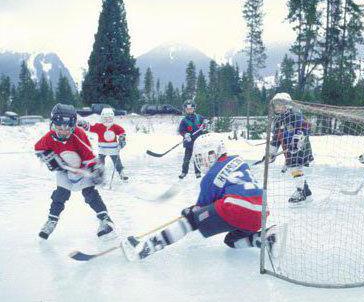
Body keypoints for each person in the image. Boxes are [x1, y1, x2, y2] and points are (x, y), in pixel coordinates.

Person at [121, 133, 275, 261]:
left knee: (190, 221)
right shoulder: (238, 160)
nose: (202, 162)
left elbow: (199, 209)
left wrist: (190, 212)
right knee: (231, 241)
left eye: (203, 157)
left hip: (235, 207)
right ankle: (263, 238)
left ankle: (146, 247)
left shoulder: (211, 176)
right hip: (261, 212)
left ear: (213, 153)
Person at [34, 103, 116, 240]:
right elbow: (38, 148)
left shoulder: (78, 134)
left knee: (89, 193)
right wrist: (50, 159)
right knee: (60, 194)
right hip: (64, 169)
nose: (64, 131)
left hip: (82, 167)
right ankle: (51, 221)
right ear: (53, 123)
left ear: (73, 126)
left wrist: (95, 170)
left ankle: (106, 220)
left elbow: (88, 155)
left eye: (68, 128)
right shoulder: (49, 137)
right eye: (60, 128)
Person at [269, 92, 314, 206]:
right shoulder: (278, 120)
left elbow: (305, 127)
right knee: (294, 169)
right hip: (288, 150)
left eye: (280, 104)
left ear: (287, 105)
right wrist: (271, 153)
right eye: (276, 105)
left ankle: (301, 192)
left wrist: (297, 140)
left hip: (301, 150)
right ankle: (306, 192)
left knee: (295, 169)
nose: (277, 107)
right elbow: (276, 138)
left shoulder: (295, 115)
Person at [77, 107, 128, 181]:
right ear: (102, 118)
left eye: (109, 118)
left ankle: (121, 173)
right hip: (102, 149)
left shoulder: (115, 126)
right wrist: (84, 124)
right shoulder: (99, 126)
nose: (107, 120)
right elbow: (90, 128)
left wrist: (122, 139)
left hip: (113, 149)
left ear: (112, 118)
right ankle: (100, 175)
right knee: (100, 163)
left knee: (117, 162)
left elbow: (122, 132)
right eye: (105, 118)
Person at [177, 99, 206, 179]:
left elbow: (205, 123)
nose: (189, 110)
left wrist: (205, 125)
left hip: (198, 142)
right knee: (186, 159)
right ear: (185, 110)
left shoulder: (199, 117)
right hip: (189, 143)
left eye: (191, 109)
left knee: (197, 158)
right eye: (187, 109)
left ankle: (198, 172)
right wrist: (185, 135)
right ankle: (184, 172)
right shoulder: (184, 121)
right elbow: (181, 130)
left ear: (194, 109)